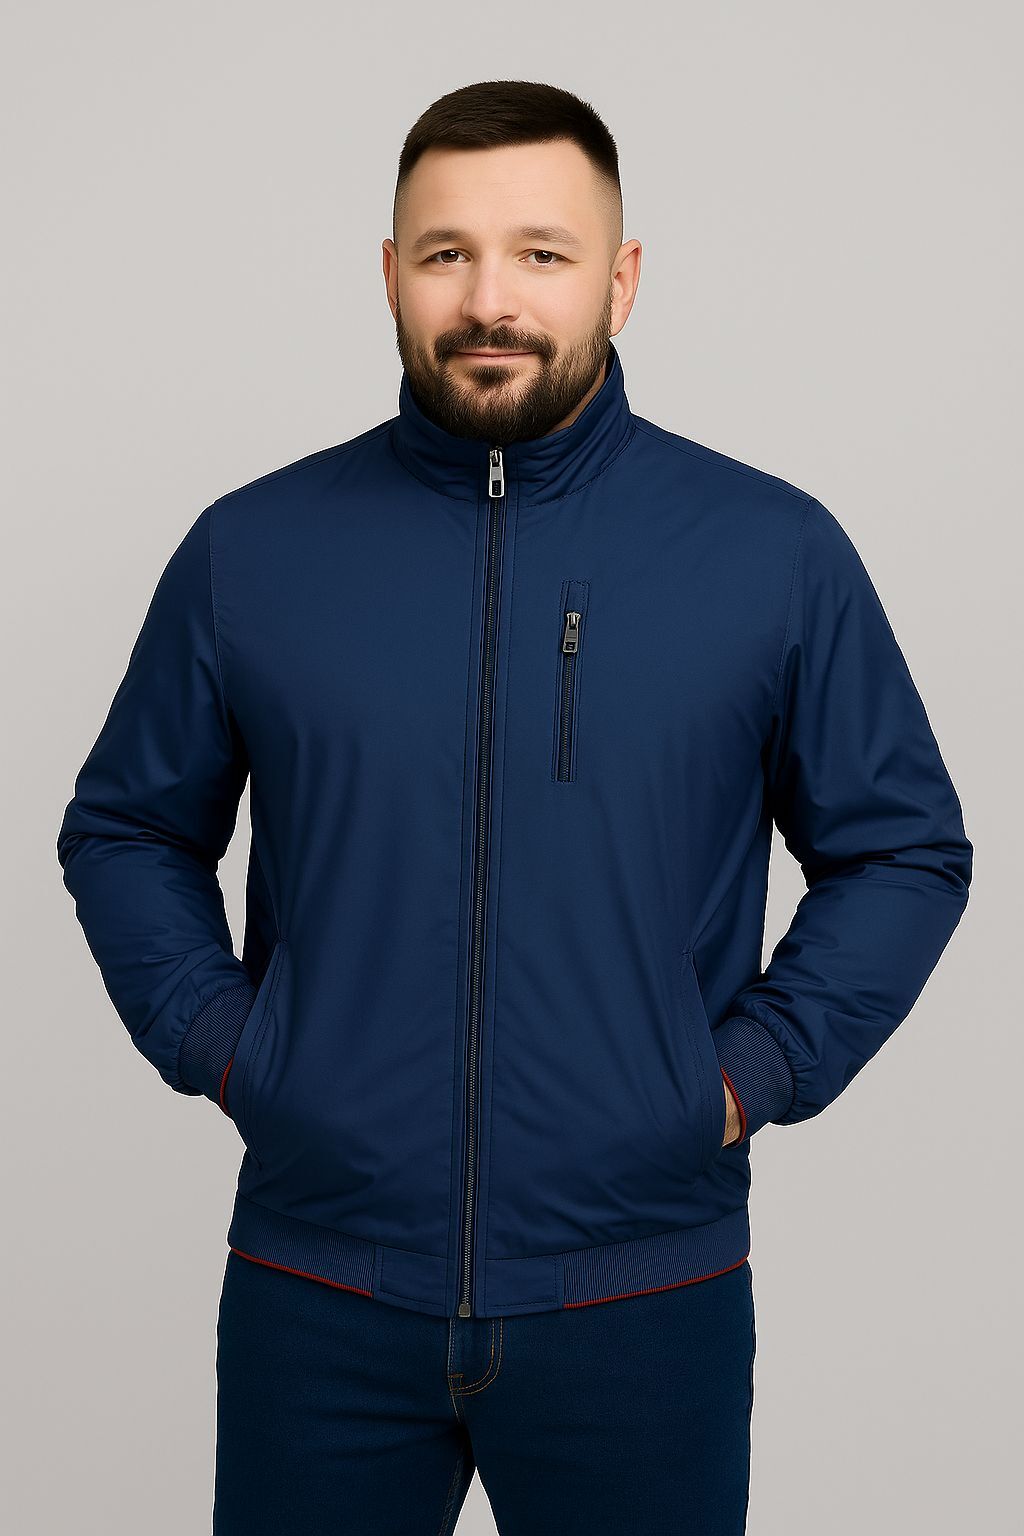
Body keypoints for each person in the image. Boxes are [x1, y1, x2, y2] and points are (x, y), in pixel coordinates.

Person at [56, 79, 973, 1535]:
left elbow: (904, 847)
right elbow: (127, 829)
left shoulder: (772, 553)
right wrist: (236, 1053)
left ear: (623, 278)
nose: (492, 299)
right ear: (390, 274)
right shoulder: (254, 550)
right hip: (320, 1292)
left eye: (543, 253)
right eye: (448, 253)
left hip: (642, 1297)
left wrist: (744, 1075)